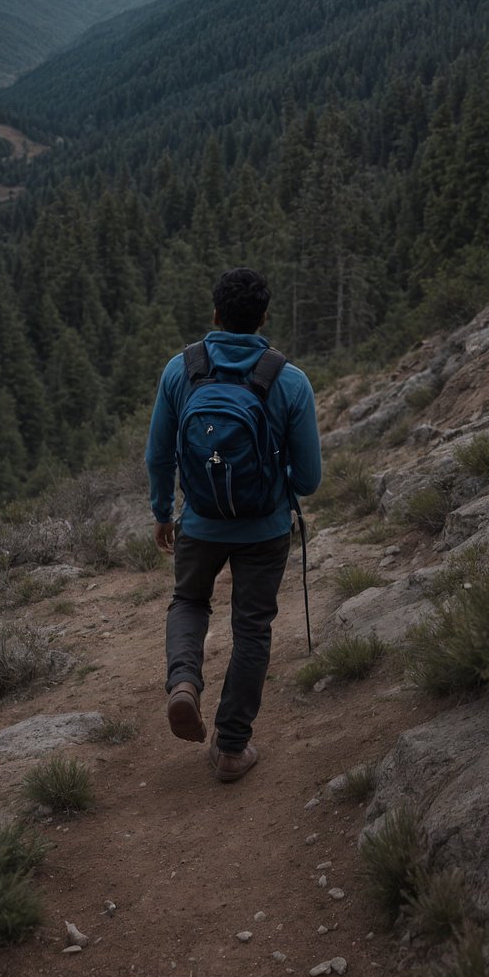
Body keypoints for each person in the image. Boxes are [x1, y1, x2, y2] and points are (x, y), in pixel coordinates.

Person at [145, 267, 321, 782]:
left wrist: (163, 512)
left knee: (189, 601)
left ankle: (183, 684)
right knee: (251, 629)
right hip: (264, 529)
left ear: (215, 314)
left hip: (199, 522)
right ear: (263, 318)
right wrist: (271, 483)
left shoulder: (182, 371)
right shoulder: (289, 380)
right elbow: (308, 479)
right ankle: (231, 749)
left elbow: (159, 455)